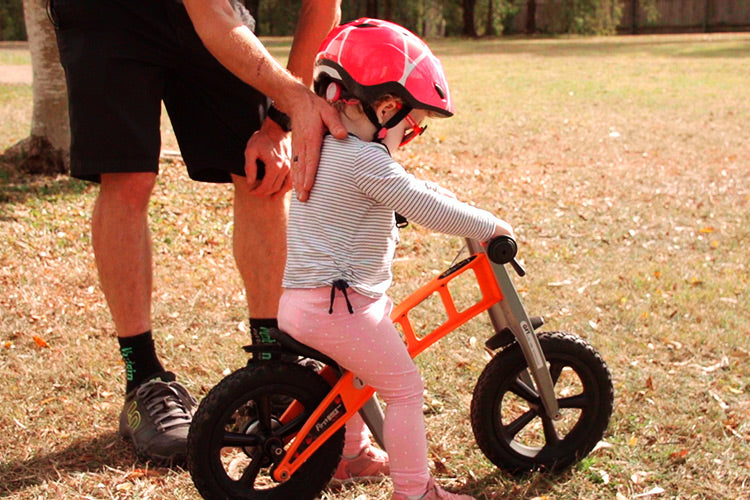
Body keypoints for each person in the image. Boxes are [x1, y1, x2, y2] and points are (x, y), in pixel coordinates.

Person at [50, 0, 347, 466]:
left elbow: (323, 5)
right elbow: (212, 19)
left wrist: (279, 123)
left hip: (214, 12)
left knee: (264, 168)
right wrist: (295, 99)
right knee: (128, 177)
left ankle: (273, 363)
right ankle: (142, 378)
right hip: (108, 15)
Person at [277, 18, 514, 500]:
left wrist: (440, 194)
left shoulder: (326, 147)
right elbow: (421, 206)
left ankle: (350, 456)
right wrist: (489, 225)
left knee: (357, 372)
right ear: (385, 107)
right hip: (337, 306)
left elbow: (405, 188)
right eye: (412, 125)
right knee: (405, 389)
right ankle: (415, 492)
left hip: (311, 301)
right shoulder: (364, 160)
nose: (410, 134)